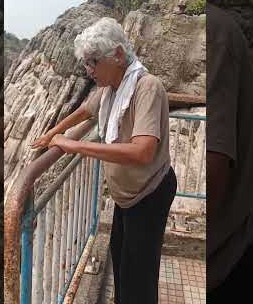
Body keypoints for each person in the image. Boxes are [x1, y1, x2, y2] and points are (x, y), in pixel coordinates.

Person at [32, 17, 176, 304]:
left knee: (138, 280)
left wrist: (74, 145)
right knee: (122, 265)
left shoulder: (146, 87)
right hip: (128, 197)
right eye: (86, 63)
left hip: (148, 194)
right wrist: (53, 132)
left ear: (118, 55)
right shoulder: (112, 89)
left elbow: (143, 151)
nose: (89, 70)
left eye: (93, 61)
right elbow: (86, 110)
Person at [206, 3, 253, 303]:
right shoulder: (216, 30)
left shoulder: (213, 32)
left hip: (228, 267)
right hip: (231, 256)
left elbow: (213, 169)